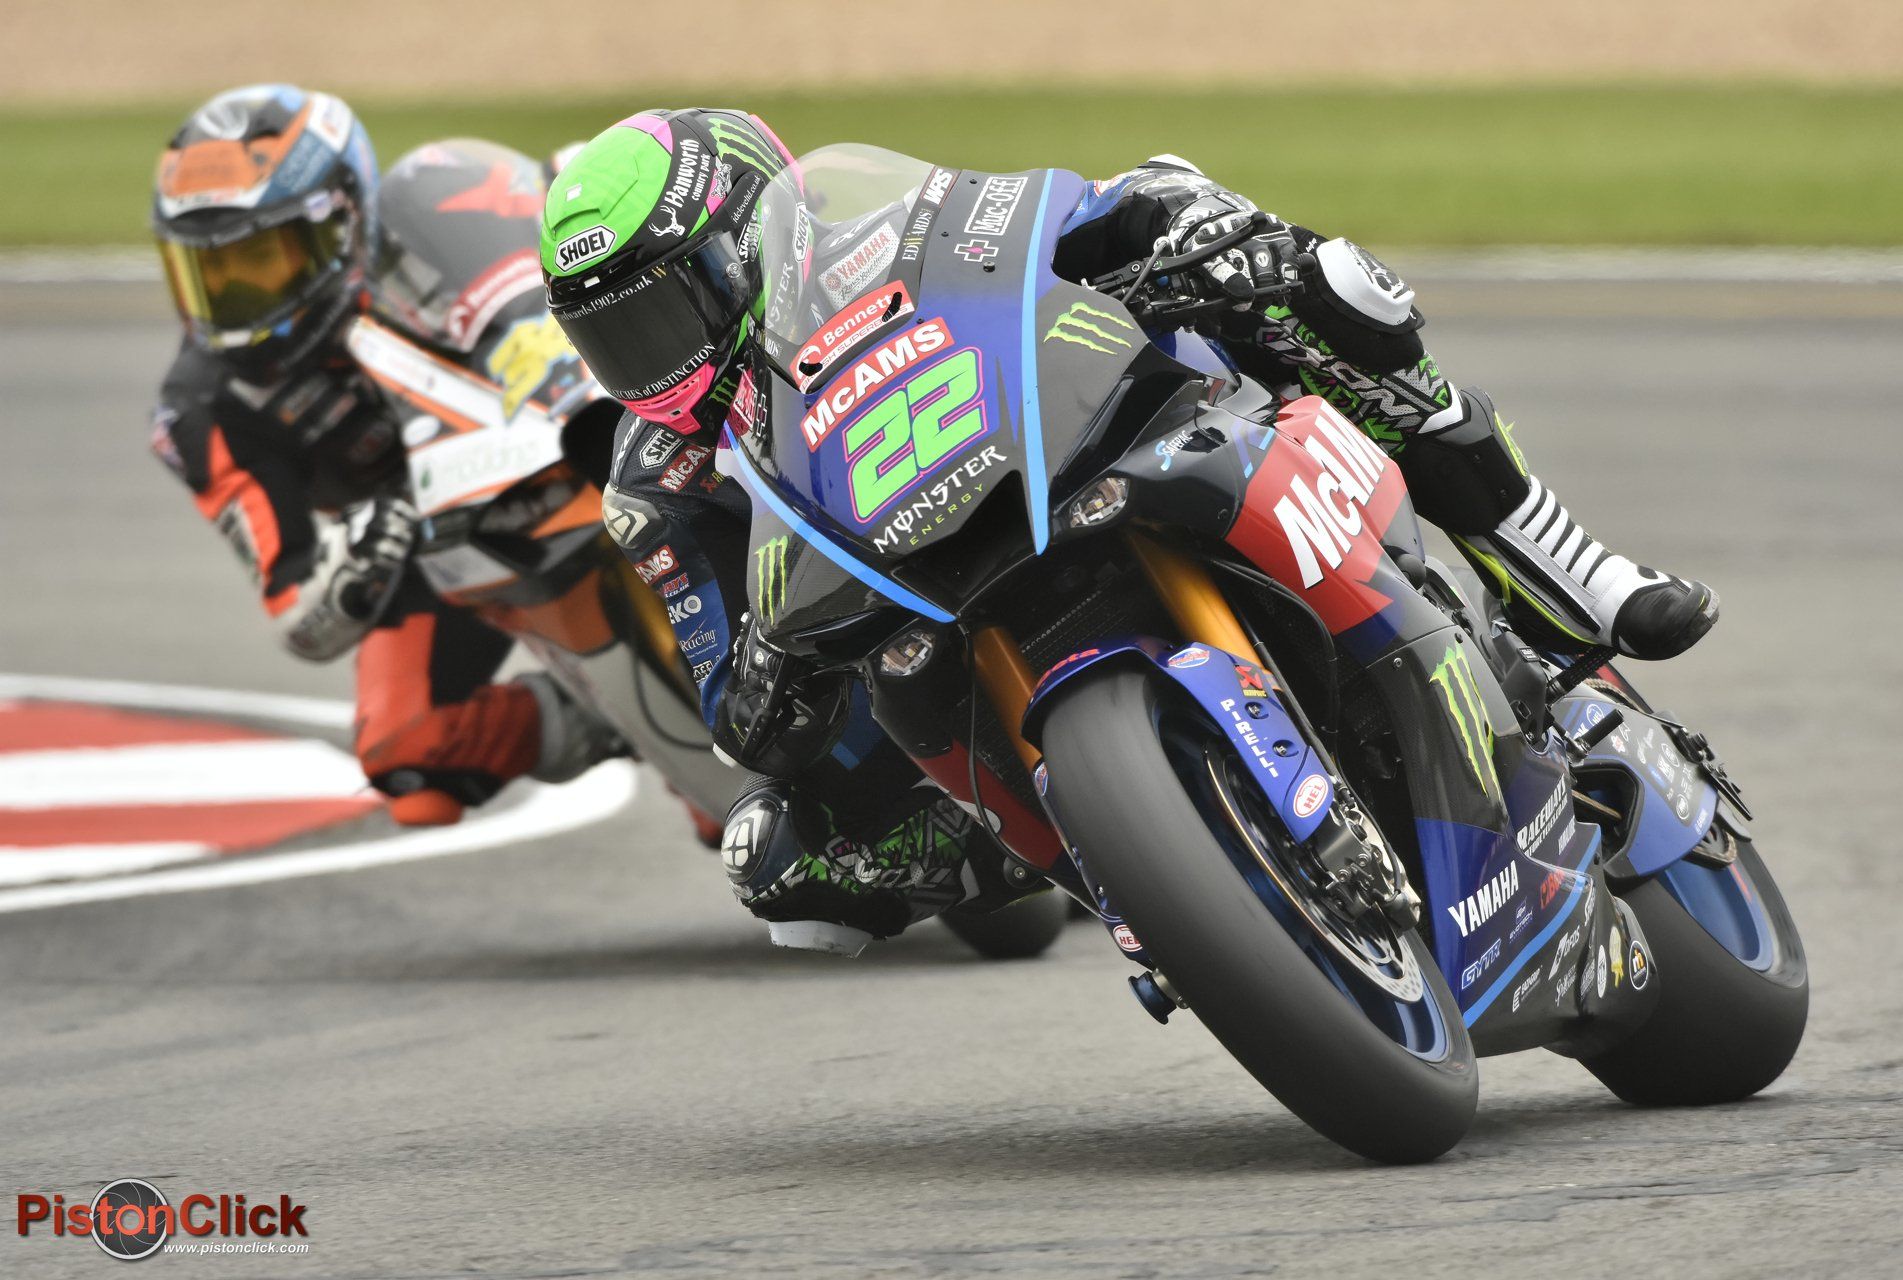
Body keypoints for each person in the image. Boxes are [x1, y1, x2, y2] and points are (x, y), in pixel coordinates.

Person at [540, 109, 1717, 952]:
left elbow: (1052, 215)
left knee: (1318, 286)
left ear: (750, 239)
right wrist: (762, 671)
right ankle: (1126, 875)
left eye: (666, 313)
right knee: (780, 853)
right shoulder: (655, 481)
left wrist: (1181, 228)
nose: (656, 368)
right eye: (618, 346)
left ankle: (1560, 567)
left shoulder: (869, 225)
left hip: (1093, 443)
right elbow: (738, 712)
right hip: (926, 622)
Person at [150, 84, 610, 825]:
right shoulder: (200, 412)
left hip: (558, 447)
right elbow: (298, 615)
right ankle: (611, 718)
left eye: (260, 259)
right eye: (210, 274)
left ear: (344, 223)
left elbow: (564, 194)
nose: (237, 297)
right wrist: (357, 561)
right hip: (424, 546)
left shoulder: (424, 230)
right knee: (407, 750)